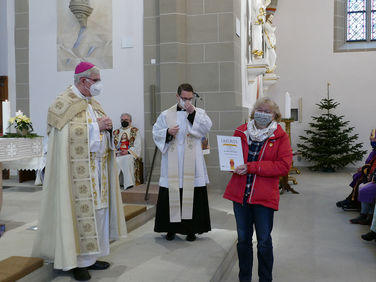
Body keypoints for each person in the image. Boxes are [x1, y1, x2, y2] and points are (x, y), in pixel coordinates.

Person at [32, 62, 127, 281]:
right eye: (96, 80)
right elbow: (67, 136)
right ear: (83, 81)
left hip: (97, 169)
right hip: (75, 174)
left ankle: (91, 258)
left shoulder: (92, 102)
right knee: (79, 213)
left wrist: (107, 127)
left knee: (98, 212)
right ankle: (76, 262)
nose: (99, 84)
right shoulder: (63, 103)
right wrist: (97, 127)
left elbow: (98, 130)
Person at [223, 97, 292, 282]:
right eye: (260, 110)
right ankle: (244, 278)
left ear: (275, 115)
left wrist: (252, 167)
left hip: (263, 198)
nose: (263, 114)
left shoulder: (279, 136)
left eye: (267, 111)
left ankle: (265, 279)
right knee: (243, 241)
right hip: (240, 195)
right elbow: (233, 157)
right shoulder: (241, 131)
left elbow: (284, 166)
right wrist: (230, 164)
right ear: (254, 112)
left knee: (263, 242)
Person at [152, 83, 212, 242]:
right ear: (177, 96)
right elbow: (156, 132)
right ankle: (170, 229)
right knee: (172, 195)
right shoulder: (165, 114)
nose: (187, 102)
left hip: (192, 164)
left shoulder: (199, 112)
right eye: (184, 98)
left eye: (190, 99)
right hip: (173, 162)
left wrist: (193, 115)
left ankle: (191, 230)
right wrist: (167, 132)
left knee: (191, 196)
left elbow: (206, 128)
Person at [337, 129, 376, 211]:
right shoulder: (374, 151)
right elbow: (370, 163)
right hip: (370, 172)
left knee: (360, 181)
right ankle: (351, 199)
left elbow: (373, 166)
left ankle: (354, 202)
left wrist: (368, 171)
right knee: (358, 178)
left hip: (372, 174)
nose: (371, 140)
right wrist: (363, 167)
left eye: (373, 139)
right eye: (371, 139)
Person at [113, 113, 141, 189]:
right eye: (122, 120)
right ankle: (114, 186)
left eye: (126, 120)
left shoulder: (135, 131)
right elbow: (112, 146)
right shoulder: (116, 132)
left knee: (127, 159)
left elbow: (137, 146)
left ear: (130, 121)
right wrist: (115, 152)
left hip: (128, 154)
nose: (123, 121)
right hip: (118, 154)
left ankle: (129, 185)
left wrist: (128, 151)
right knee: (113, 161)